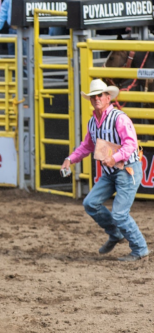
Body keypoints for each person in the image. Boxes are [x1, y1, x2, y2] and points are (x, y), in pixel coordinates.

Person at [61, 79, 149, 262]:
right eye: (93, 96)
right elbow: (87, 146)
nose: (96, 99)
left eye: (99, 95)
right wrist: (70, 159)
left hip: (127, 169)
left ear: (108, 98)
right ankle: (116, 234)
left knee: (118, 213)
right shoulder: (93, 123)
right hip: (111, 172)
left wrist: (114, 157)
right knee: (90, 203)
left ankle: (140, 248)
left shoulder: (119, 118)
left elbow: (131, 144)